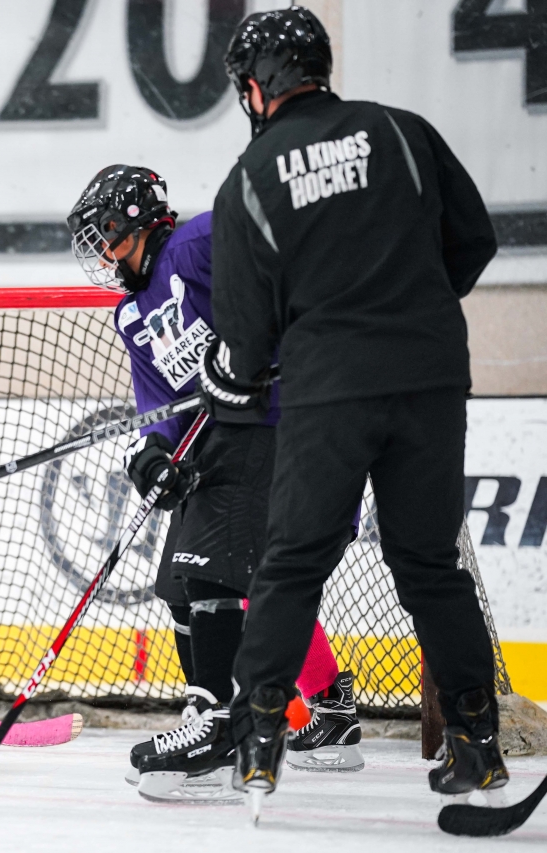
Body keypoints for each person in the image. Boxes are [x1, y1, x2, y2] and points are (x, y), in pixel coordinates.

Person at [201, 7, 505, 810]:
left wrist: (239, 374)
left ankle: (260, 736)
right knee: (429, 562)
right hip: (432, 375)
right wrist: (409, 315)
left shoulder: (251, 179)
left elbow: (243, 334)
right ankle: (478, 739)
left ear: (259, 86)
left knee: (293, 560)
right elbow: (472, 241)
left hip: (330, 388)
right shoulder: (402, 131)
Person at [67, 167, 361, 803]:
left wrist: (262, 347)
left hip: (279, 420)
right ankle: (272, 714)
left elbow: (281, 278)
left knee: (216, 572)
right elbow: (163, 413)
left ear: (136, 220)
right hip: (219, 442)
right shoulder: (131, 315)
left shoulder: (197, 243)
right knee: (180, 581)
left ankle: (223, 726)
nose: (100, 250)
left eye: (105, 234)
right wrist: (150, 457)